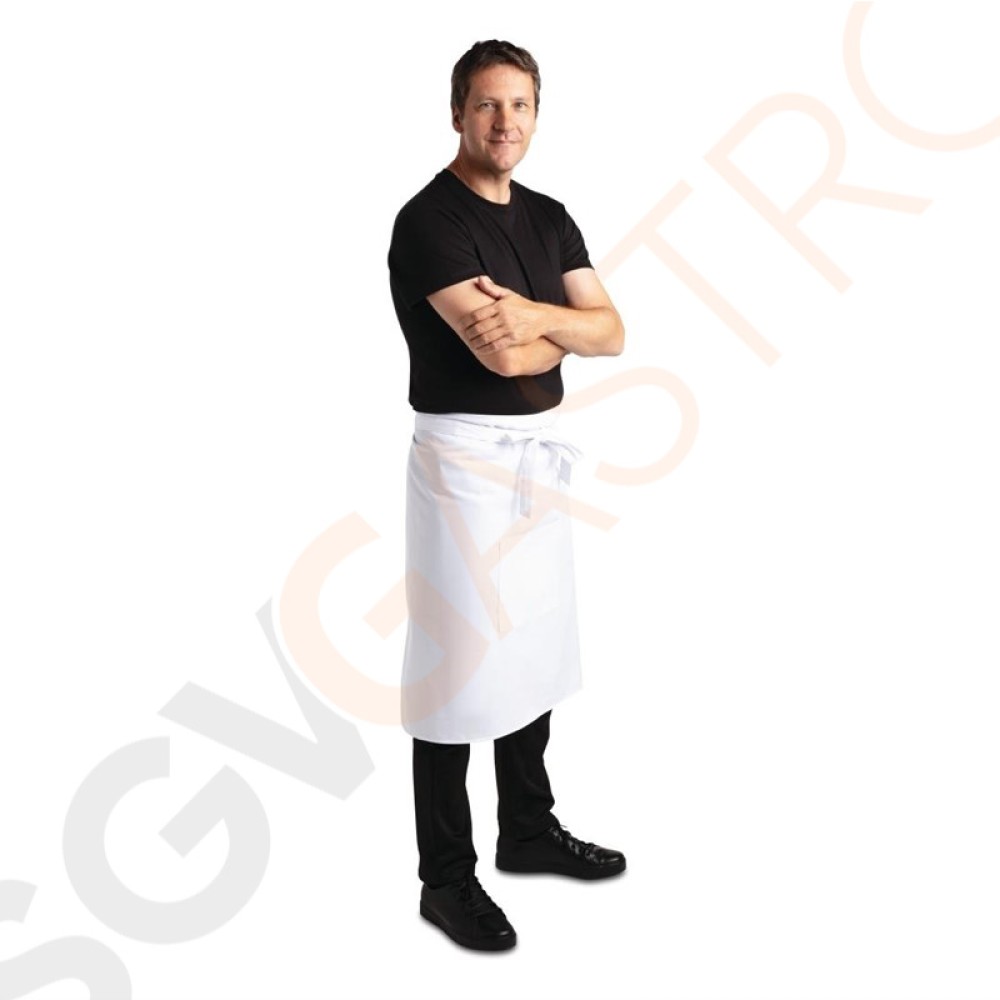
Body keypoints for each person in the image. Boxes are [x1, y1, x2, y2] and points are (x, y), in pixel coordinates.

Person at [387, 39, 626, 953]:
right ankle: (445, 878)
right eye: (487, 105)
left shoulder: (550, 217)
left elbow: (614, 331)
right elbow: (502, 356)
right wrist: (562, 328)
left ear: (536, 114)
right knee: (455, 667)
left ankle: (527, 829)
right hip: (462, 464)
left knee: (534, 645)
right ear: (457, 113)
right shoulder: (428, 223)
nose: (504, 123)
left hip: (534, 458)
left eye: (519, 105)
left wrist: (533, 316)